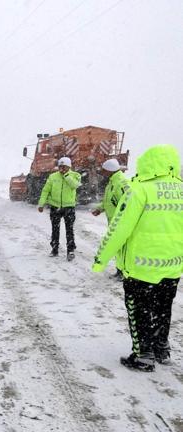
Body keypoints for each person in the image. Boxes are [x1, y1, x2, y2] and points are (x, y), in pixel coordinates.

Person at [92, 144, 183, 372]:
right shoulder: (181, 189)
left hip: (141, 266)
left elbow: (119, 228)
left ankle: (144, 356)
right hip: (173, 265)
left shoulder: (138, 189)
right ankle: (161, 348)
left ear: (146, 164)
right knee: (163, 307)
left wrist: (101, 259)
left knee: (140, 309)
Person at [91, 158, 131, 279]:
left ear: (110, 170)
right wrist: (100, 208)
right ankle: (120, 271)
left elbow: (129, 202)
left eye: (104, 170)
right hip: (114, 221)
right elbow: (109, 201)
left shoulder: (122, 183)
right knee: (117, 248)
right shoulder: (112, 182)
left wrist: (123, 219)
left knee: (122, 248)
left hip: (121, 222)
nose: (102, 172)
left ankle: (124, 272)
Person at [38, 157, 82, 261]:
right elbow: (45, 190)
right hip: (55, 207)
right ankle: (54, 249)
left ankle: (70, 251)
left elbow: (75, 186)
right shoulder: (53, 176)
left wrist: (66, 175)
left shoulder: (75, 175)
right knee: (55, 229)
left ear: (69, 167)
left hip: (69, 207)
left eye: (64, 167)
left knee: (69, 230)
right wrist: (41, 204)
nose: (62, 169)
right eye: (60, 166)